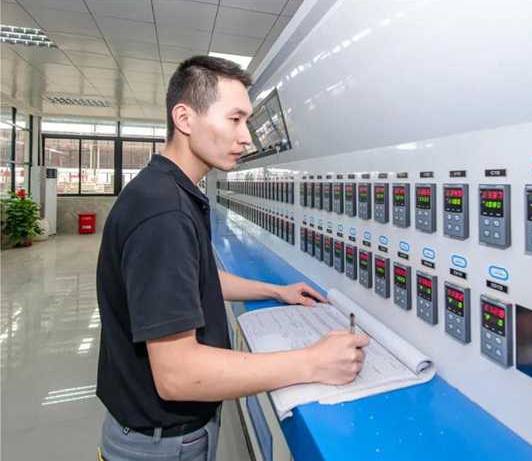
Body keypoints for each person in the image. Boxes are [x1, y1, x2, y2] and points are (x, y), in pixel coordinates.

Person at [96, 55, 370, 461]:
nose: (246, 138)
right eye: (235, 119)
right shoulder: (164, 214)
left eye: (247, 122)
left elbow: (194, 279)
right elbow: (178, 375)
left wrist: (274, 291)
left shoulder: (165, 191)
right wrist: (313, 362)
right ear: (184, 119)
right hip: (160, 445)